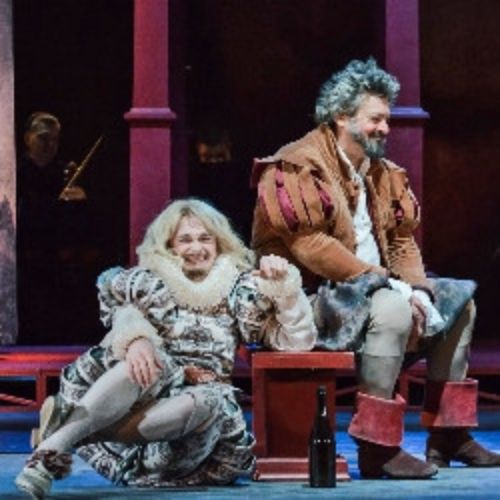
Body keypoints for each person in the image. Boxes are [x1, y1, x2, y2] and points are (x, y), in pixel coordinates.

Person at [251, 58, 500, 479]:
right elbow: (312, 246)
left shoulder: (381, 172)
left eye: (387, 119)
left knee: (459, 305)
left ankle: (449, 435)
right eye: (375, 119)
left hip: (375, 290)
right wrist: (389, 285)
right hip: (309, 300)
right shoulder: (296, 165)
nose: (385, 128)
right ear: (341, 116)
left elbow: (401, 241)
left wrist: (417, 289)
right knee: (392, 308)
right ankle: (376, 447)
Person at [15, 198, 317, 498]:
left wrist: (286, 289)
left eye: (205, 238)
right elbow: (126, 315)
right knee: (147, 360)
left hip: (188, 439)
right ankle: (44, 459)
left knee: (211, 399)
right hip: (129, 421)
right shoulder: (148, 284)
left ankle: (64, 435)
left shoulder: (240, 290)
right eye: (185, 240)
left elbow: (297, 342)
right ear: (169, 246)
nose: (196, 248)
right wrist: (136, 339)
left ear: (219, 242)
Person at [17, 112, 97, 344]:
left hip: (58, 260)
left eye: (55, 139)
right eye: (43, 138)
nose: (49, 145)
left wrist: (81, 201)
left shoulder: (64, 173)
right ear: (27, 138)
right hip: (26, 256)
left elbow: (82, 225)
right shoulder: (15, 172)